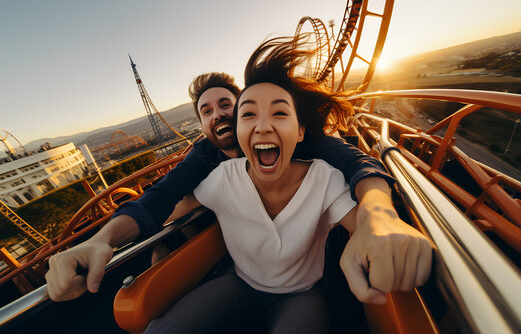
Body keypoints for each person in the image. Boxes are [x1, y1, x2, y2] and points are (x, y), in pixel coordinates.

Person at [46, 42, 431, 307]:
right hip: (245, 268)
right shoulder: (205, 161)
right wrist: (103, 240)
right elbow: (159, 199)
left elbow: (356, 162)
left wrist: (378, 214)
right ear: (202, 127)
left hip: (302, 273)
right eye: (206, 112)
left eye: (228, 105)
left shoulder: (305, 145)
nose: (218, 115)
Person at [144, 36, 431, 333]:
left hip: (303, 293)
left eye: (278, 113)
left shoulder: (322, 174)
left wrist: (379, 221)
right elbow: (168, 204)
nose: (263, 126)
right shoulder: (221, 175)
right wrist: (125, 233)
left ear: (300, 131)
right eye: (250, 115)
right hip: (240, 283)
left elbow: (358, 183)